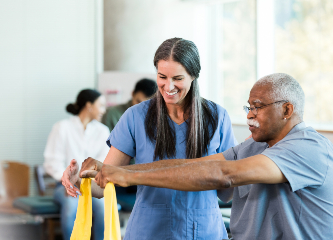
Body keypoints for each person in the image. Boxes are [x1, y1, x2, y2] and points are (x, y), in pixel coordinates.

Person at [91, 73, 333, 240]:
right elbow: (193, 166)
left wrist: (127, 176)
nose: (250, 116)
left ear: (287, 110)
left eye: (257, 107)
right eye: (249, 107)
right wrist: (111, 170)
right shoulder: (254, 147)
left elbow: (222, 175)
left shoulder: (309, 148)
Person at [62, 37, 237, 240]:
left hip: (203, 230)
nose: (168, 86)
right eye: (162, 76)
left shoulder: (217, 117)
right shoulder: (135, 117)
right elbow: (103, 184)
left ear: (194, 76)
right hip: (149, 230)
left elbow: (227, 192)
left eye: (177, 78)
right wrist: (78, 180)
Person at [43, 89, 109, 240]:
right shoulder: (62, 127)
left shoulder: (103, 131)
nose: (104, 111)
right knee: (72, 205)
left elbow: (102, 164)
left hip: (92, 186)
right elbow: (52, 162)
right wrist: (70, 182)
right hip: (65, 186)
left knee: (103, 207)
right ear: (89, 105)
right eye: (101, 105)